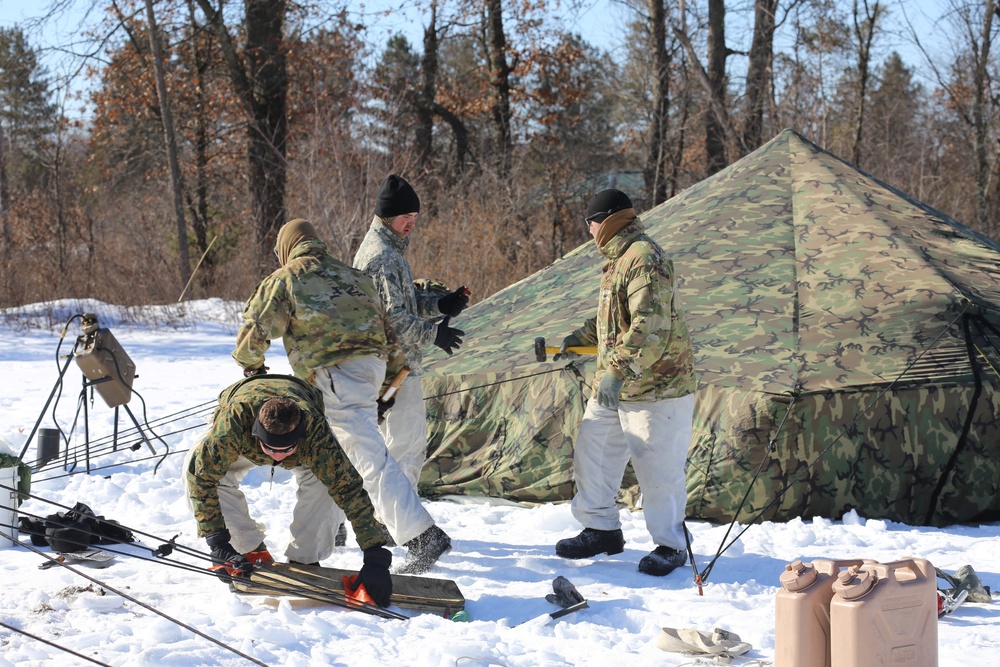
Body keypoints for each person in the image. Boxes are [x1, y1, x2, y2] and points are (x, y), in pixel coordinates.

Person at [232, 218, 452, 574]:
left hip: (335, 373)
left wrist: (252, 367)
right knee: (332, 451)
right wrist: (387, 388)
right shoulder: (355, 277)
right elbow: (389, 332)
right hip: (372, 368)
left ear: (287, 247)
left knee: (368, 457)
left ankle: (421, 535)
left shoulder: (288, 277)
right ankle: (330, 529)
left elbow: (255, 327)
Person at [552, 189, 697, 577]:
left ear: (606, 221)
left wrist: (616, 373)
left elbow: (649, 327)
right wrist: (583, 336)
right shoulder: (620, 259)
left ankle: (671, 544)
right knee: (594, 453)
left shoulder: (644, 258)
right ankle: (601, 530)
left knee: (658, 469)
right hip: (616, 383)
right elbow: (615, 318)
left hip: (657, 388)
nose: (589, 231)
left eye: (590, 222)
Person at [183, 374, 393, 606]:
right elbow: (200, 478)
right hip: (241, 427)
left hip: (304, 423)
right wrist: (218, 543)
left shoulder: (316, 433)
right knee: (197, 472)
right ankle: (248, 551)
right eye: (270, 448)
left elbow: (349, 489)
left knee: (326, 483)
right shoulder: (232, 425)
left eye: (286, 449)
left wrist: (375, 555)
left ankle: (305, 558)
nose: (278, 456)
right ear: (257, 432)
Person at [353, 174, 468, 492]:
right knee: (406, 446)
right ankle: (399, 519)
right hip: (395, 370)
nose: (412, 223)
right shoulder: (384, 257)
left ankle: (385, 516)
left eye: (415, 217)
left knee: (392, 446)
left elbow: (404, 302)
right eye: (406, 216)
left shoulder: (389, 250)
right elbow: (393, 318)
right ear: (388, 216)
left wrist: (441, 304)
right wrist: (435, 335)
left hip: (391, 367)